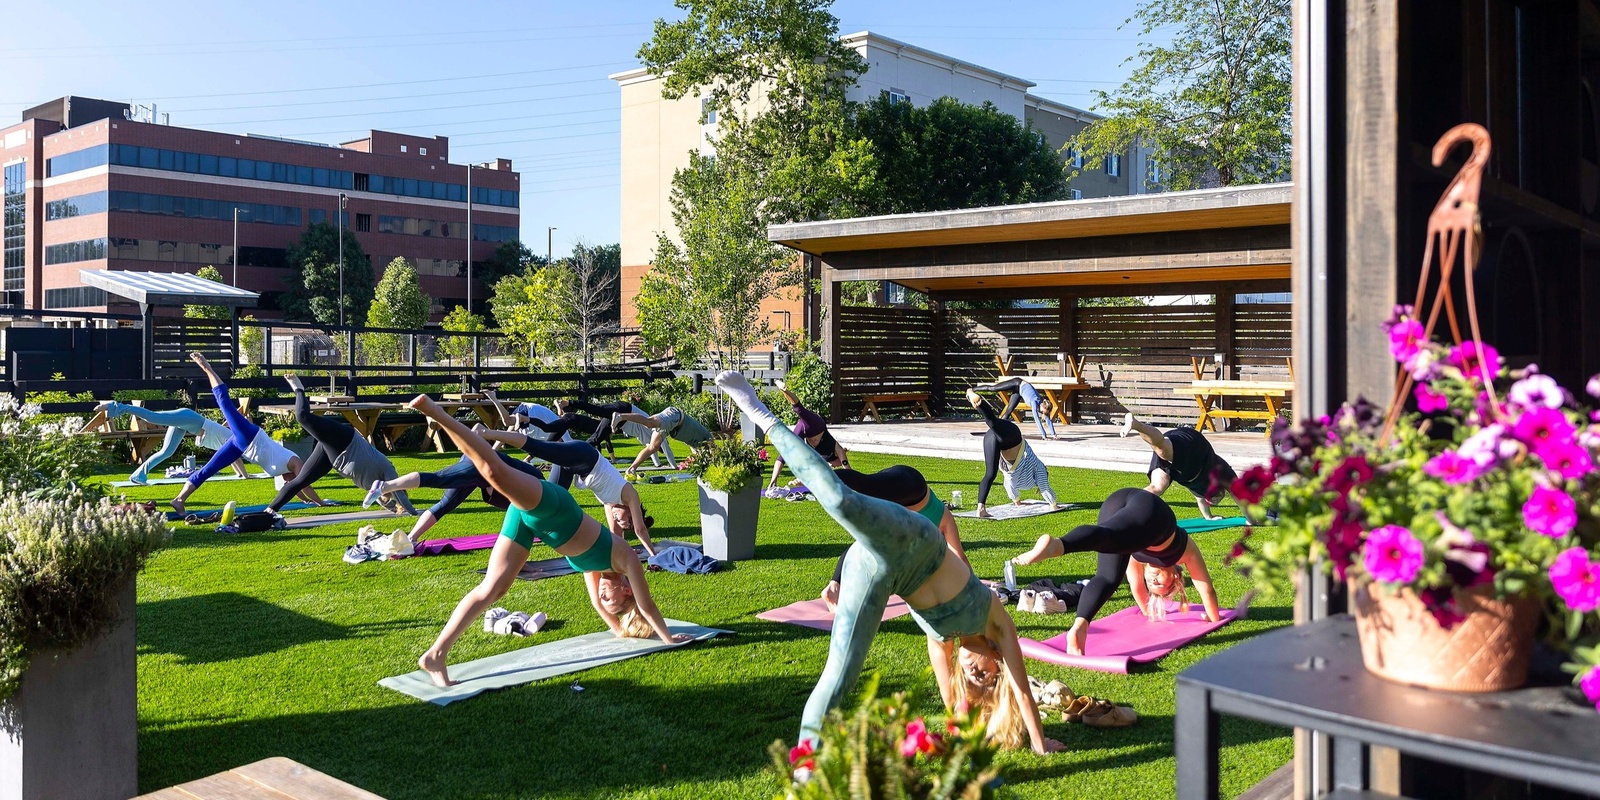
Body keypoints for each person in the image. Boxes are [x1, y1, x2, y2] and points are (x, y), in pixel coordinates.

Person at [715, 370, 1062, 755]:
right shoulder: (994, 615)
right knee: (841, 499)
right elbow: (1023, 691)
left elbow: (954, 714)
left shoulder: (941, 642)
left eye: (973, 683)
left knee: (840, 675)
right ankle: (758, 411)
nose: (974, 675)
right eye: (987, 678)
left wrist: (961, 740)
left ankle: (802, 771)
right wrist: (1040, 743)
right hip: (913, 535)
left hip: (879, 573)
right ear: (999, 660)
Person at [405, 394, 692, 688]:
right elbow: (647, 607)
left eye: (608, 603)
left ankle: (435, 655)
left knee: (494, 588)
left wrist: (618, 628)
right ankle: (437, 412)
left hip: (530, 524)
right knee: (491, 470)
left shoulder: (597, 571)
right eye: (613, 600)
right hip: (551, 506)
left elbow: (597, 604)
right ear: (627, 590)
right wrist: (668, 638)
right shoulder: (625, 559)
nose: (605, 599)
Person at [1012, 486, 1221, 656]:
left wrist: (1148, 611)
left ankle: (1079, 627)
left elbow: (1137, 588)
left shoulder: (1135, 558)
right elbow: (1207, 590)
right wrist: (1213, 619)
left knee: (1108, 577)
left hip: (1116, 502)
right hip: (1153, 511)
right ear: (1175, 576)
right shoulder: (1186, 553)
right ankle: (1058, 545)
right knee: (1112, 536)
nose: (1154, 581)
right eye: (1162, 583)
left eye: (1153, 585)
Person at [169, 353, 322, 516]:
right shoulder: (296, 462)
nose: (288, 481)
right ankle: (206, 367)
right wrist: (321, 503)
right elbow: (305, 485)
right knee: (224, 403)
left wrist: (306, 501)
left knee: (208, 469)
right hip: (251, 437)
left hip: (242, 446)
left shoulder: (287, 473)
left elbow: (294, 488)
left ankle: (179, 500)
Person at [472, 429, 658, 556]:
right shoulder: (629, 493)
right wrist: (653, 554)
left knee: (545, 502)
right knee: (536, 447)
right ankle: (484, 433)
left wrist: (627, 551)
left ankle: (497, 483)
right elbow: (640, 529)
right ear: (632, 515)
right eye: (622, 520)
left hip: (573, 468)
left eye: (619, 521)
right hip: (583, 456)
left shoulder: (611, 505)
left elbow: (616, 537)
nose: (617, 520)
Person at [364, 427, 550, 543]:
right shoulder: (534, 489)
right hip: (479, 467)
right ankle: (385, 486)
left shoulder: (532, 487)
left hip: (480, 468)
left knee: (445, 504)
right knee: (437, 479)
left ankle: (411, 538)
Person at [265, 374, 417, 516]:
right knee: (303, 417)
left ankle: (269, 512)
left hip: (335, 457)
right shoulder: (389, 474)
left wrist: (396, 509)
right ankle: (299, 389)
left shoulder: (375, 490)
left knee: (300, 481)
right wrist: (413, 512)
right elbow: (400, 495)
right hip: (345, 440)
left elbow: (387, 502)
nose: (384, 497)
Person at [819, 465, 964, 610]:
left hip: (899, 503)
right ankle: (818, 472)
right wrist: (972, 588)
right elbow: (960, 557)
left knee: (866, 542)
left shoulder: (915, 541)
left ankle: (833, 586)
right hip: (914, 488)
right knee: (867, 484)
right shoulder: (943, 524)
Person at [92, 401, 250, 485]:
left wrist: (241, 474)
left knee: (167, 452)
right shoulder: (235, 442)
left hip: (188, 424)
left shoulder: (233, 446)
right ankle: (115, 406)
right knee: (152, 417)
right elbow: (235, 457)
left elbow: (232, 459)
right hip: (190, 420)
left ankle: (139, 475)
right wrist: (246, 476)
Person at [1121, 413, 1237, 520]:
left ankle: (1124, 509)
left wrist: (1209, 517)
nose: (1213, 501)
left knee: (1156, 487)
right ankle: (1136, 424)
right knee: (1161, 448)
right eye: (1215, 499)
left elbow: (1202, 502)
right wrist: (1252, 520)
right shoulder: (1224, 473)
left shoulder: (1201, 492)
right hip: (1194, 446)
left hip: (1182, 457)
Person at [966, 389, 1060, 518]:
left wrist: (1017, 502)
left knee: (989, 474)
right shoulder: (1040, 469)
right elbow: (1044, 486)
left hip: (993, 438)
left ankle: (980, 508)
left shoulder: (1018, 477)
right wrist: (1054, 504)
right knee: (994, 423)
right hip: (1013, 439)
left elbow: (1008, 484)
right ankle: (980, 402)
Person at [766, 379, 849, 489]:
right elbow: (847, 469)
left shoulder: (823, 463)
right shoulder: (837, 448)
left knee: (785, 451)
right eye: (837, 464)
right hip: (817, 425)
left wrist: (801, 482)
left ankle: (772, 482)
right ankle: (784, 389)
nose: (836, 465)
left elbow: (814, 475)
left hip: (803, 429)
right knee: (800, 410)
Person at [608, 405, 712, 478]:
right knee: (649, 422)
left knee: (653, 447)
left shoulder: (697, 444)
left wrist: (691, 462)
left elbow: (696, 454)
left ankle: (632, 468)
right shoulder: (708, 438)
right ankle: (620, 416)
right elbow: (712, 449)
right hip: (676, 417)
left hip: (672, 425)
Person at [973, 377, 1058, 440]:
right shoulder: (1034, 402)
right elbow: (1036, 420)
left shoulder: (1042, 406)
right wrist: (1044, 435)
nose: (1044, 413)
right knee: (993, 388)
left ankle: (997, 430)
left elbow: (1048, 419)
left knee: (1008, 411)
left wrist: (1054, 435)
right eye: (1044, 412)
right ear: (1043, 407)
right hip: (1017, 383)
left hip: (1020, 391)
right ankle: (972, 389)